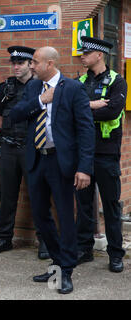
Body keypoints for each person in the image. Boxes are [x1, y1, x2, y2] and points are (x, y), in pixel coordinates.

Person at [9, 47, 95, 294]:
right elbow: (14, 115)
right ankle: (58, 260)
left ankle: (66, 270)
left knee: (65, 215)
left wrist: (84, 168)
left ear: (50, 63)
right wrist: (40, 101)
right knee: (40, 214)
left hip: (61, 161)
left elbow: (86, 130)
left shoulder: (73, 88)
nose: (31, 66)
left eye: (35, 62)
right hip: (37, 159)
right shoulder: (35, 88)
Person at [0, 46, 49, 260]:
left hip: (33, 149)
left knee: (39, 195)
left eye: (20, 63)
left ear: (31, 64)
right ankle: (3, 238)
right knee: (6, 195)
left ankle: (45, 241)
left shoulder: (41, 87)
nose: (15, 67)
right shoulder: (6, 88)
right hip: (9, 147)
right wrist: (0, 140)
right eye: (13, 63)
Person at [75, 36, 127, 273]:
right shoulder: (80, 81)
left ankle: (115, 254)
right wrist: (95, 105)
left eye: (85, 53)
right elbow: (70, 111)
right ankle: (84, 249)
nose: (82, 57)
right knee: (84, 204)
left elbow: (112, 111)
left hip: (106, 153)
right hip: (83, 152)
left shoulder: (118, 81)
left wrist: (85, 108)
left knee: (111, 205)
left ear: (99, 55)